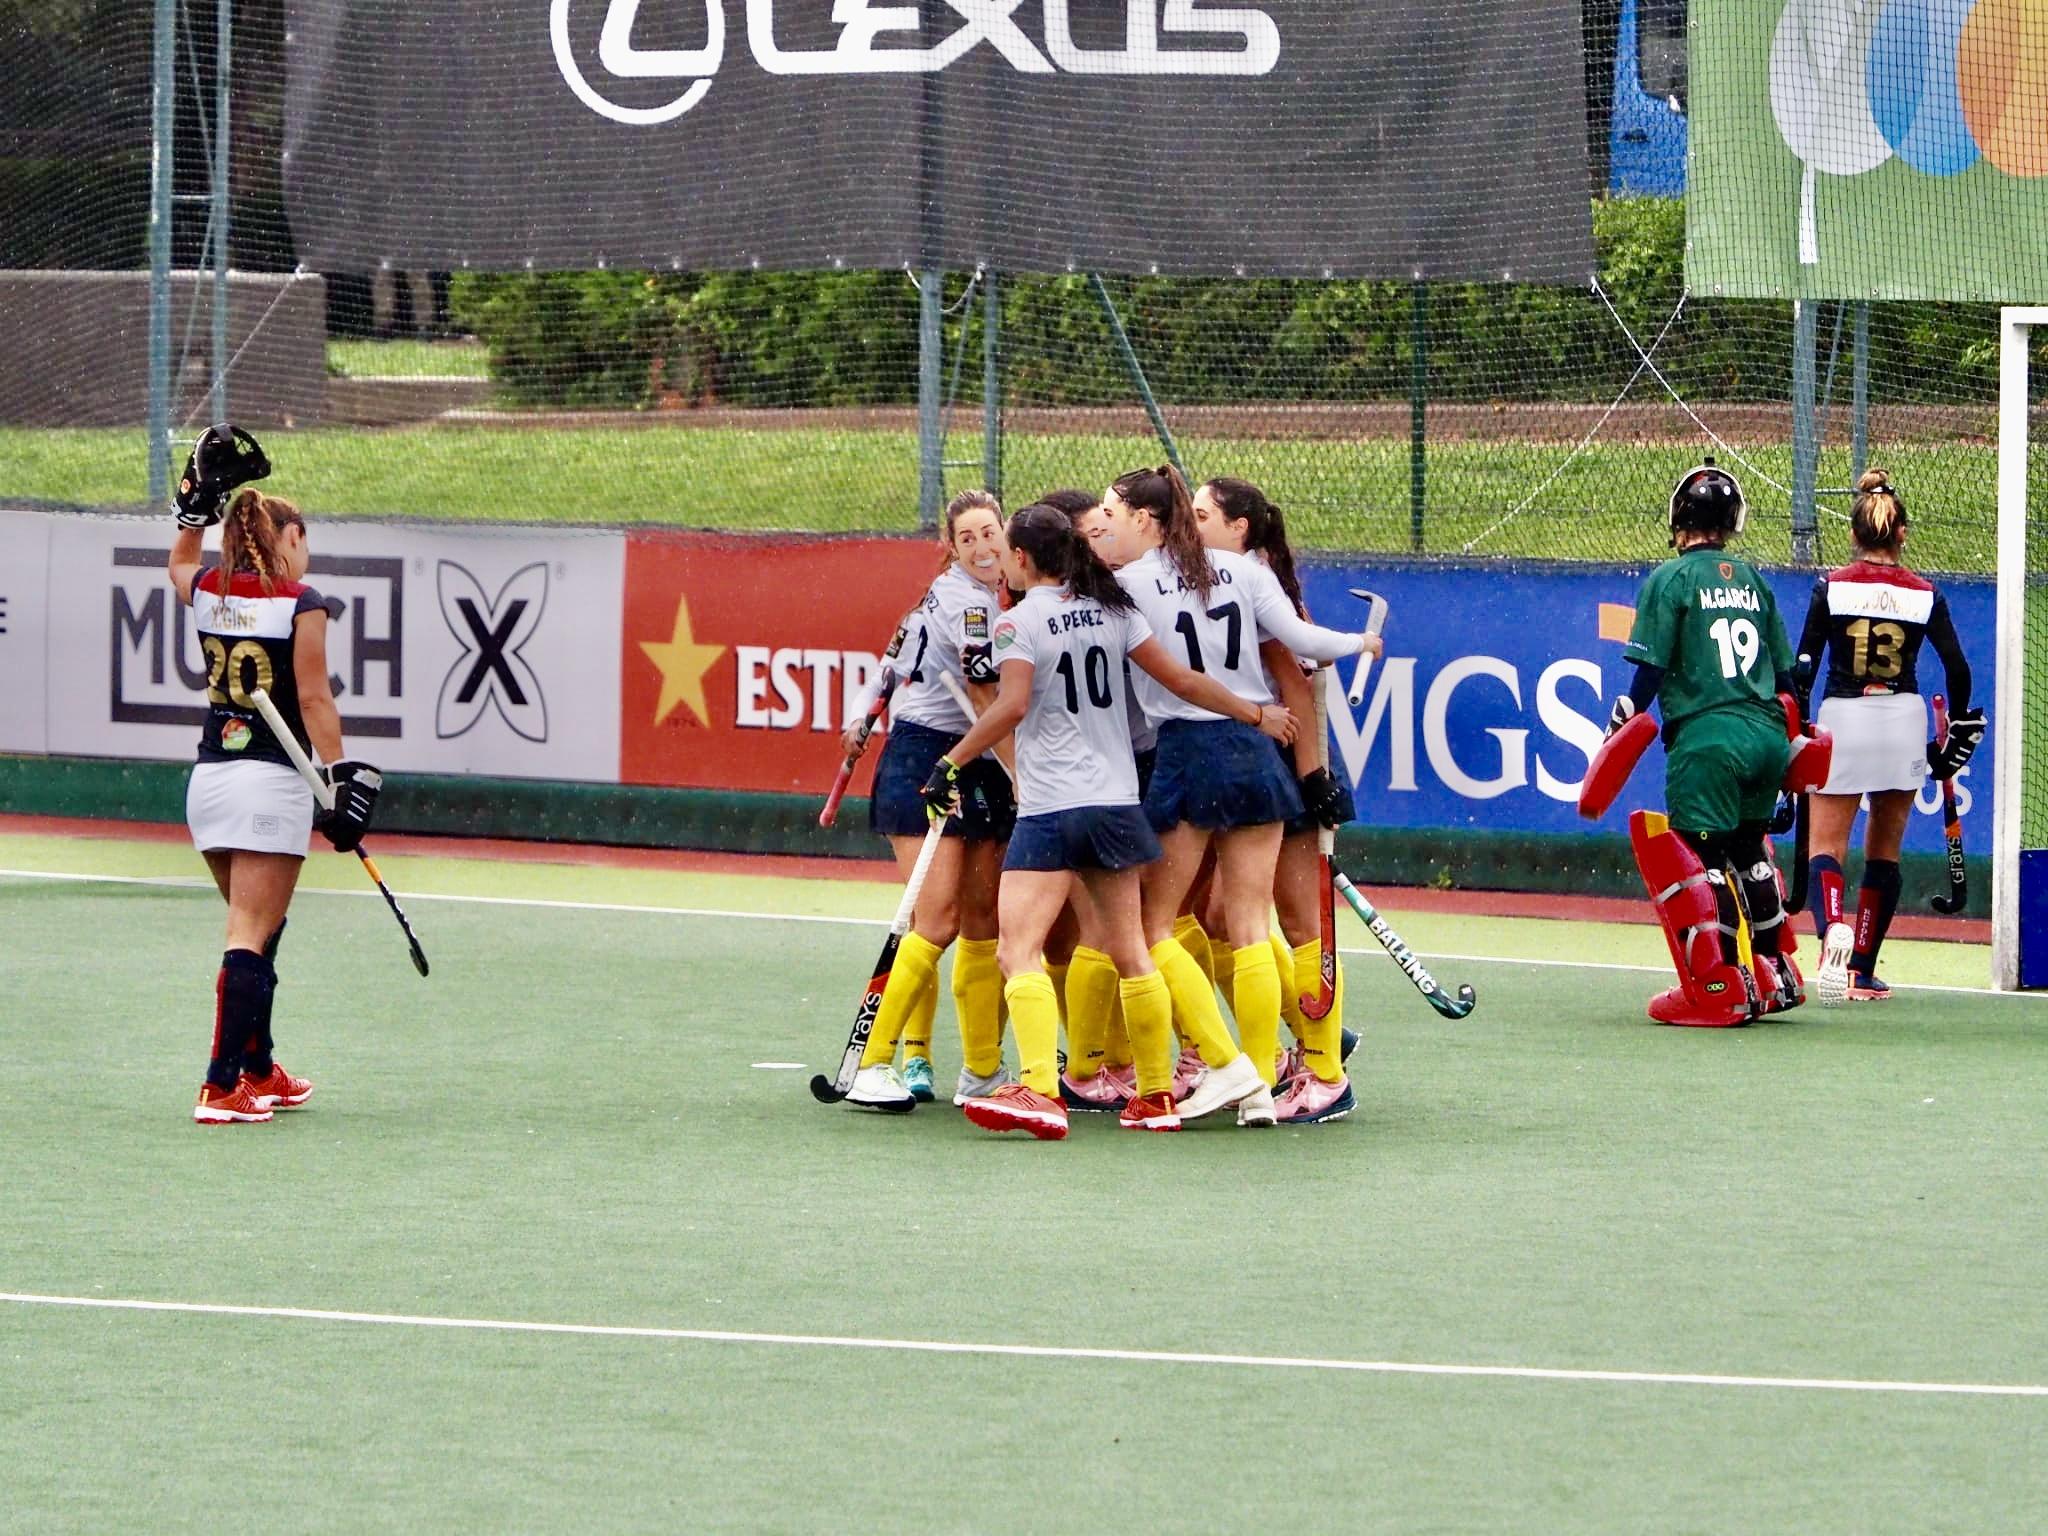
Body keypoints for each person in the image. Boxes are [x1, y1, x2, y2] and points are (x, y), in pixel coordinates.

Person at [917, 503, 1298, 1139]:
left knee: (1018, 950)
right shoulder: (1117, 612)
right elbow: (1182, 679)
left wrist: (950, 761)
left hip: (1052, 808)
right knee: (1133, 947)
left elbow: (1010, 705)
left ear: (1022, 559)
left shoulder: (1017, 623)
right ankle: (1161, 1092)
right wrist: (1254, 714)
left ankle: (1039, 1087)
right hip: (1118, 804)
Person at [1096, 465, 1378, 1124]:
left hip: (1189, 754)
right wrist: (1361, 642)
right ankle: (1259, 1087)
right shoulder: (1249, 574)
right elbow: (1310, 646)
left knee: (1153, 924)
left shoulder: (1127, 586)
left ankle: (1236, 1066)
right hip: (1253, 755)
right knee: (1248, 925)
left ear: (1147, 521)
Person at [166, 427, 381, 1123]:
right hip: (271, 782)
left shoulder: (205, 590)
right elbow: (315, 697)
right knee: (249, 932)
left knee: (260, 926)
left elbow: (178, 563)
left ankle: (258, 1065)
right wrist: (343, 775)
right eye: (303, 538)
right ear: (284, 539)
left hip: (211, 786)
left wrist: (190, 513)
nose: (306, 552)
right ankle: (221, 1084)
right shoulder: (301, 602)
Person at [1605, 458, 1807, 1026]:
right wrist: (1794, 747)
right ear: (1732, 521)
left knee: (1703, 857)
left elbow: (1647, 671)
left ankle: (1723, 983)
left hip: (1708, 740)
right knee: (1749, 851)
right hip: (1766, 731)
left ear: (1678, 519)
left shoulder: (1669, 581)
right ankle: (1778, 974)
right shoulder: (1755, 582)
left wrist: (1619, 721)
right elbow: (1788, 680)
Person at [840, 490, 1015, 1110]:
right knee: (934, 918)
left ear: (1006, 531)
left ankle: (982, 1071)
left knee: (980, 920)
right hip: (929, 757)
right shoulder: (967, 603)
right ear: (953, 546)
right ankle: (876, 1062)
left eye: (989, 533)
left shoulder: (971, 595)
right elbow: (982, 690)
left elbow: (889, 664)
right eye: (967, 538)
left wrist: (863, 710)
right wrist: (1025, 773)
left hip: (972, 757)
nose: (982, 547)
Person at [1192, 475, 1356, 1123]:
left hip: (1285, 765)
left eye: (1203, 516)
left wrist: (1315, 780)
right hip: (1252, 762)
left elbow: (1293, 684)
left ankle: (1326, 1072)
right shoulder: (1227, 578)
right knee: (1219, 919)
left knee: (1298, 924)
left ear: (1238, 529)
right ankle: (1309, 1038)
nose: (1192, 525)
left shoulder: (1249, 584)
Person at [1795, 469, 1980, 1003]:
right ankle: (1862, 971)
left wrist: (1802, 725)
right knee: (1885, 851)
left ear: (1854, 534)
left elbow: (1804, 664)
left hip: (1843, 718)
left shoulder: (1830, 586)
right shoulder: (1925, 594)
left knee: (1826, 846)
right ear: (1902, 535)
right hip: (1902, 718)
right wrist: (1961, 720)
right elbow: (1958, 668)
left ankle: (1832, 928)